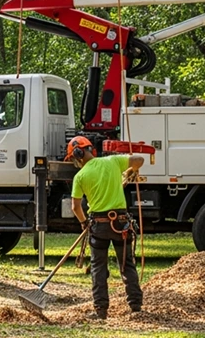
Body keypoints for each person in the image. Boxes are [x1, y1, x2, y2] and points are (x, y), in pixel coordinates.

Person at [67, 135, 144, 320]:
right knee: (127, 265)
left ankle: (101, 310)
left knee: (98, 268)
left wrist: (84, 222)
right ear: (89, 149)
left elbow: (75, 207)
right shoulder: (113, 161)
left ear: (77, 154)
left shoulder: (80, 176)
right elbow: (139, 159)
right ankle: (135, 307)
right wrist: (132, 170)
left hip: (98, 226)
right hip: (120, 224)